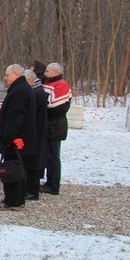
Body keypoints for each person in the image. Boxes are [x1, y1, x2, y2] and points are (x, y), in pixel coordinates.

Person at [0, 64, 37, 211]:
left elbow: (16, 116)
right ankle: (18, 198)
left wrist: (9, 137)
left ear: (16, 74)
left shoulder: (19, 91)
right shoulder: (23, 88)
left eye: (7, 75)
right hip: (21, 139)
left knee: (12, 169)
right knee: (20, 168)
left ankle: (12, 201)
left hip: (16, 140)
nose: (5, 78)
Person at [40, 62, 72, 195]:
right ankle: (49, 181)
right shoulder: (49, 83)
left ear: (55, 72)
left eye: (48, 71)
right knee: (48, 156)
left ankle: (53, 185)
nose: (45, 73)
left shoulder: (61, 85)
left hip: (55, 126)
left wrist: (41, 109)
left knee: (53, 156)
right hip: (48, 125)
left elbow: (56, 107)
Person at [24, 69, 48, 200]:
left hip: (36, 132)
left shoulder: (37, 93)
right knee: (34, 161)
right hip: (38, 131)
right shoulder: (38, 91)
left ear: (29, 80)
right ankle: (31, 188)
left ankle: (32, 190)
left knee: (34, 162)